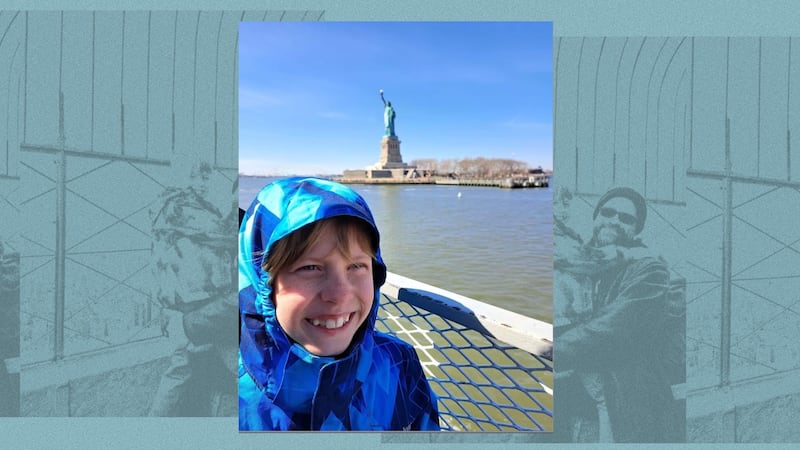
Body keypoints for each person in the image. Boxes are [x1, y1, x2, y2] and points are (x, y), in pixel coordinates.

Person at [238, 177, 440, 431]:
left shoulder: (400, 363)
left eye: (356, 266)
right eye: (310, 267)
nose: (340, 295)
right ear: (261, 284)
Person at [554, 187, 684, 442]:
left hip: (621, 408)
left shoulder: (649, 269)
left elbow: (611, 331)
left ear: (637, 230)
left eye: (626, 218)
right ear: (595, 218)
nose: (614, 220)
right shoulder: (581, 264)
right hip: (567, 402)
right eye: (608, 212)